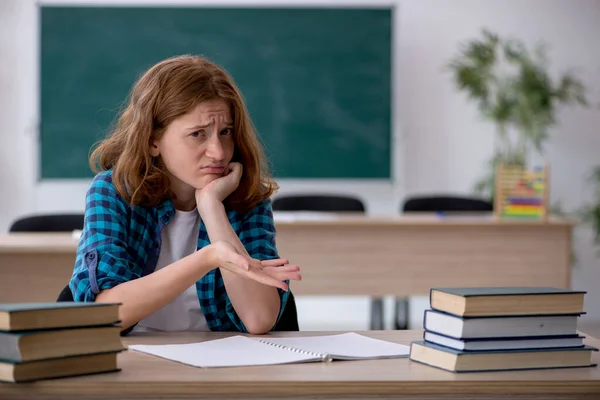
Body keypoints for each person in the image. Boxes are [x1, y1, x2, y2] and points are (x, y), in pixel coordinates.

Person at [69, 55, 301, 335]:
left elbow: (259, 319)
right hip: (136, 363)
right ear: (153, 140)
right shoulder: (113, 191)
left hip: (221, 365)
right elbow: (105, 314)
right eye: (198, 134)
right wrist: (208, 257)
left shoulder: (246, 197)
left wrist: (212, 207)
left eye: (225, 132)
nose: (218, 151)